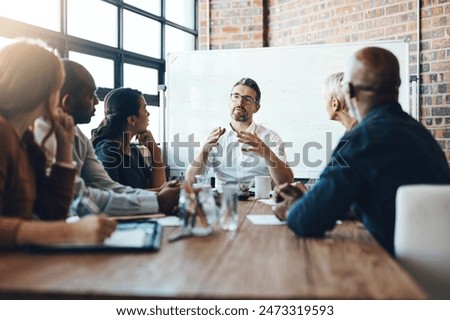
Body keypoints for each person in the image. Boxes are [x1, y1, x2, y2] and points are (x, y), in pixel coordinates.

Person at [274, 47, 450, 256]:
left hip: (399, 269)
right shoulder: (418, 133)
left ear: (348, 92)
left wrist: (292, 208)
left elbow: (307, 221)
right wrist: (308, 199)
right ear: (397, 87)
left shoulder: (361, 141)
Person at [0, 39, 116, 248]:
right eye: (56, 89)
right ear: (41, 91)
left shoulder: (26, 142)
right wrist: (67, 231)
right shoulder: (2, 133)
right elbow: (56, 226)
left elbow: (52, 213)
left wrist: (64, 150)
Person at [34, 60, 179, 216]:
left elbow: (108, 187)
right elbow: (79, 198)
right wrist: (158, 200)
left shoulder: (80, 138)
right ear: (68, 102)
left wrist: (159, 198)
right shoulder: (106, 149)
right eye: (91, 95)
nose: (97, 101)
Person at [185, 77, 293, 190]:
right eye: (236, 96)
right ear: (229, 101)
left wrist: (267, 153)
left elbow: (287, 182)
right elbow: (190, 182)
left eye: (247, 99)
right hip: (224, 202)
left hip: (259, 202)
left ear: (257, 108)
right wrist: (203, 151)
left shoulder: (270, 137)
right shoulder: (214, 137)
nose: (240, 102)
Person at [91, 87, 166, 189]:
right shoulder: (107, 150)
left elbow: (157, 187)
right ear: (131, 119)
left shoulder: (133, 151)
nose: (148, 114)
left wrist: (154, 150)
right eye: (144, 109)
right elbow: (112, 195)